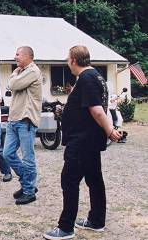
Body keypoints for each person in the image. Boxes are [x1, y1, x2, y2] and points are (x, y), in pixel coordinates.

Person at [43, 46, 122, 239]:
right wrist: (66, 111)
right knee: (94, 180)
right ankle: (96, 221)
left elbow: (97, 110)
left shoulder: (86, 78)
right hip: (89, 139)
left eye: (67, 59)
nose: (67, 62)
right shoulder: (96, 77)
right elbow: (87, 108)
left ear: (73, 61)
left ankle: (66, 228)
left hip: (82, 141)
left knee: (69, 180)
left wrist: (110, 131)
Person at [3, 46, 42, 205]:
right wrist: (15, 75)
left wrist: (14, 75)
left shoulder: (32, 71)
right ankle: (28, 184)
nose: (15, 57)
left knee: (28, 158)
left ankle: (29, 191)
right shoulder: (20, 71)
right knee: (7, 154)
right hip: (14, 119)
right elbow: (10, 84)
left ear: (27, 56)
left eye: (18, 54)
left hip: (25, 120)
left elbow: (12, 85)